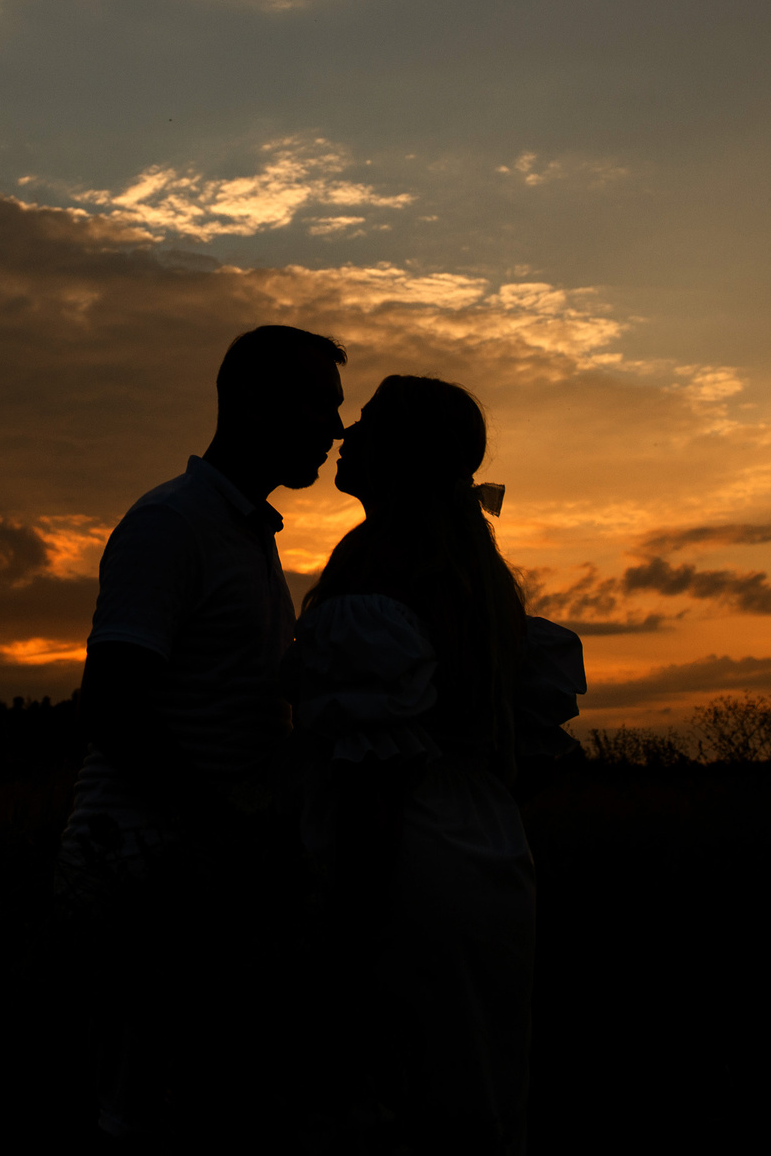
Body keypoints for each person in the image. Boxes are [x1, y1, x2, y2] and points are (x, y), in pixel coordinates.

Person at [56, 323, 348, 1148]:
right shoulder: (171, 524)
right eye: (319, 404)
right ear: (254, 403)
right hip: (142, 871)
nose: (334, 428)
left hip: (203, 871)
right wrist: (229, 829)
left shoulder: (250, 533)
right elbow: (111, 708)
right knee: (144, 1117)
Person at [289, 375, 587, 1155]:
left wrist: (340, 924)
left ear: (401, 452)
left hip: (401, 861)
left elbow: (370, 787)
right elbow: (533, 756)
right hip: (492, 855)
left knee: (391, 1092)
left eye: (371, 421)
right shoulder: (477, 577)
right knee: (476, 1086)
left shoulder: (376, 574)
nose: (347, 431)